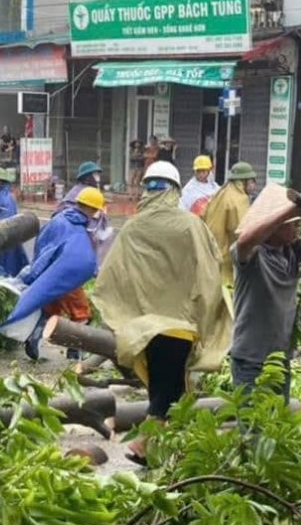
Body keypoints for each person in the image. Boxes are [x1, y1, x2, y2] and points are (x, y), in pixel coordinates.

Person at [91, 161, 231, 465]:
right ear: (175, 191)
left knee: (166, 388)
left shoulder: (133, 228)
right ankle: (147, 446)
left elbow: (111, 277)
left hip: (145, 329)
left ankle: (164, 451)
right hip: (181, 326)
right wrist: (210, 317)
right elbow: (210, 273)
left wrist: (124, 318)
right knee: (170, 392)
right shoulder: (190, 226)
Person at [230, 183, 301, 402]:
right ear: (274, 228)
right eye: (293, 224)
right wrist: (293, 209)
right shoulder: (252, 255)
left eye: (299, 223)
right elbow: (244, 241)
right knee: (254, 432)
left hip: (280, 359)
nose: (298, 228)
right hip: (250, 361)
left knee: (278, 428)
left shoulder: (291, 249)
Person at [0, 187, 105, 360]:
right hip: (66, 277)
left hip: (49, 274)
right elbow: (78, 258)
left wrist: (38, 272)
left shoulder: (59, 220)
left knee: (50, 309)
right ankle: (74, 351)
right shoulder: (77, 228)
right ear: (92, 209)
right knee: (81, 313)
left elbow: (44, 246)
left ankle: (34, 337)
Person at [202, 162, 258, 285]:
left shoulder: (221, 193)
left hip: (210, 254)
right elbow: (243, 232)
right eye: (252, 181)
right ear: (243, 181)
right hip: (226, 259)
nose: (254, 185)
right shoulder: (239, 199)